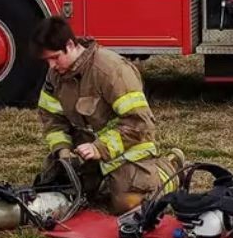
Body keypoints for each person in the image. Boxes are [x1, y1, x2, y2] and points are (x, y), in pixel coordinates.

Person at [31, 15, 183, 213]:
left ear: (70, 45)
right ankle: (102, 183)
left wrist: (99, 148)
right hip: (85, 151)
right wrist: (63, 151)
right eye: (47, 60)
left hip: (127, 147)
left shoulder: (111, 71)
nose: (51, 66)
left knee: (129, 202)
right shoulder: (56, 75)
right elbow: (53, 120)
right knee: (60, 189)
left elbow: (140, 123)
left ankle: (170, 169)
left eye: (54, 58)